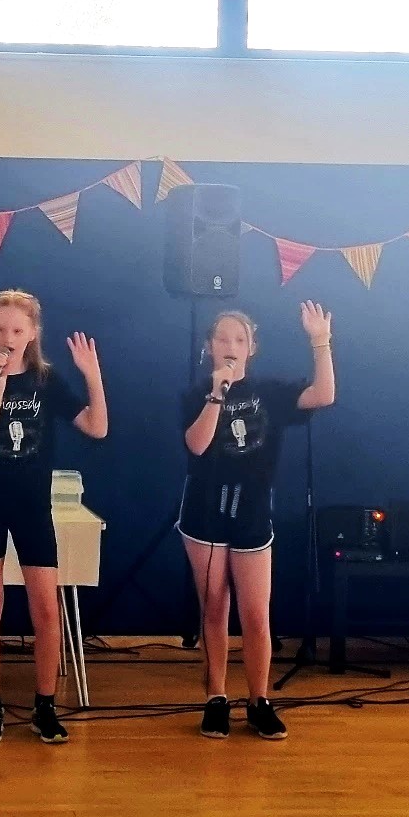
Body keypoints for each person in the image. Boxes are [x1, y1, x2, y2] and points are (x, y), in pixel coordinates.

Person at [0, 289, 108, 745]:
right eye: (1, 329)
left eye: (18, 331)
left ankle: (45, 705)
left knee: (45, 606)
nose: (9, 337)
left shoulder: (47, 380)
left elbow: (97, 428)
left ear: (33, 334)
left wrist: (93, 375)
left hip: (31, 505)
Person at [179, 301, 335, 741]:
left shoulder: (271, 393)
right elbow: (196, 445)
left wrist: (319, 341)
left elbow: (324, 394)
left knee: (255, 613)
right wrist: (217, 393)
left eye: (239, 340)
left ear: (251, 348)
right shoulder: (197, 394)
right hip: (205, 513)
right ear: (210, 347)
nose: (230, 346)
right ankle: (215, 698)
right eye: (222, 339)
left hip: (250, 514)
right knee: (214, 608)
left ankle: (259, 699)